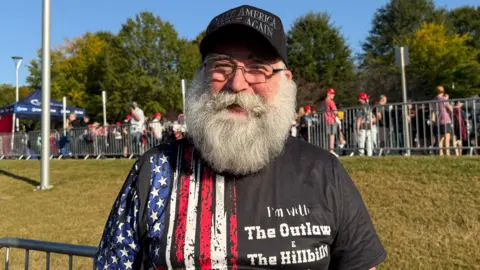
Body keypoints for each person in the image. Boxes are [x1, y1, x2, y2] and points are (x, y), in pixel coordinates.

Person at [94, 5, 386, 270]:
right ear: (201, 78)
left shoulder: (324, 172)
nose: (237, 83)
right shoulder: (156, 170)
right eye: (221, 68)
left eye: (258, 68)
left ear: (285, 80)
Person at [323, 88, 338, 156]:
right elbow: (335, 111)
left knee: (328, 135)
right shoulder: (330, 101)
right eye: (332, 94)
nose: (333, 95)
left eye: (333, 94)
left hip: (326, 120)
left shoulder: (324, 101)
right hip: (331, 120)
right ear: (328, 94)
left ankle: (328, 150)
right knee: (332, 135)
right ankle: (331, 150)